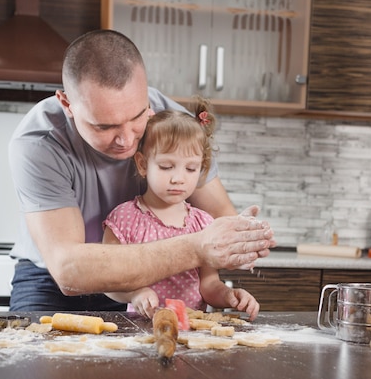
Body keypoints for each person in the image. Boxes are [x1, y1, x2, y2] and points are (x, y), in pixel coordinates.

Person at [8, 29, 275, 311]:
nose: (126, 140)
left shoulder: (171, 124)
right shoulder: (40, 142)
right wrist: (197, 248)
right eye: (104, 126)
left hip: (149, 284)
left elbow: (221, 214)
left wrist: (241, 238)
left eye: (137, 117)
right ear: (67, 104)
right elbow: (69, 270)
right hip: (50, 282)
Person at [102, 98, 260, 321]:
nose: (178, 178)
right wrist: (134, 293)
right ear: (143, 164)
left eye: (191, 168)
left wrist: (228, 295)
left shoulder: (203, 224)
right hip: (142, 330)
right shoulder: (124, 219)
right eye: (166, 167)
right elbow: (108, 281)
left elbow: (208, 285)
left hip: (193, 332)